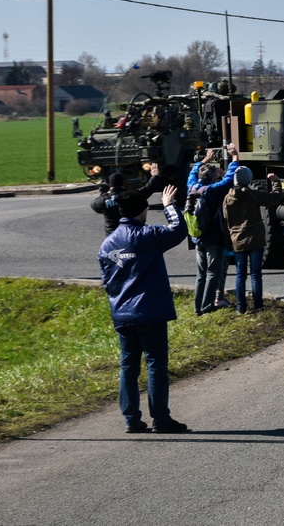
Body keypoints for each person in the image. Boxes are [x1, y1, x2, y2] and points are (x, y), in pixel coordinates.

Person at [98, 185, 189, 434]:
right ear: (143, 211)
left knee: (128, 366)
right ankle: (160, 417)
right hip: (149, 310)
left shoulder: (107, 245)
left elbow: (107, 282)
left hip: (122, 314)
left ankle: (131, 419)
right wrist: (170, 205)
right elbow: (178, 230)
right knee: (155, 365)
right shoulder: (147, 235)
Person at [186, 144, 240, 315]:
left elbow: (192, 174)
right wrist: (235, 158)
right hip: (213, 238)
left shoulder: (192, 187)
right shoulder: (213, 191)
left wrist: (202, 162)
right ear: (213, 177)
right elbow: (230, 178)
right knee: (212, 273)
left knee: (200, 274)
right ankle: (207, 305)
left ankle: (197, 307)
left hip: (197, 236)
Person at [222, 166, 282, 314]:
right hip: (255, 238)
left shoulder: (227, 198)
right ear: (248, 180)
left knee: (240, 274)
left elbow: (225, 219)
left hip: (237, 240)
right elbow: (274, 198)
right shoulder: (253, 195)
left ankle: (240, 307)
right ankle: (258, 305)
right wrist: (276, 183)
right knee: (256, 274)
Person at [90, 164, 169, 235]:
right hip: (129, 234)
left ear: (110, 185)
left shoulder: (103, 200)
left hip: (112, 236)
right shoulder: (131, 196)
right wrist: (155, 176)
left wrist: (106, 195)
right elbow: (148, 188)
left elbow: (94, 205)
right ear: (124, 183)